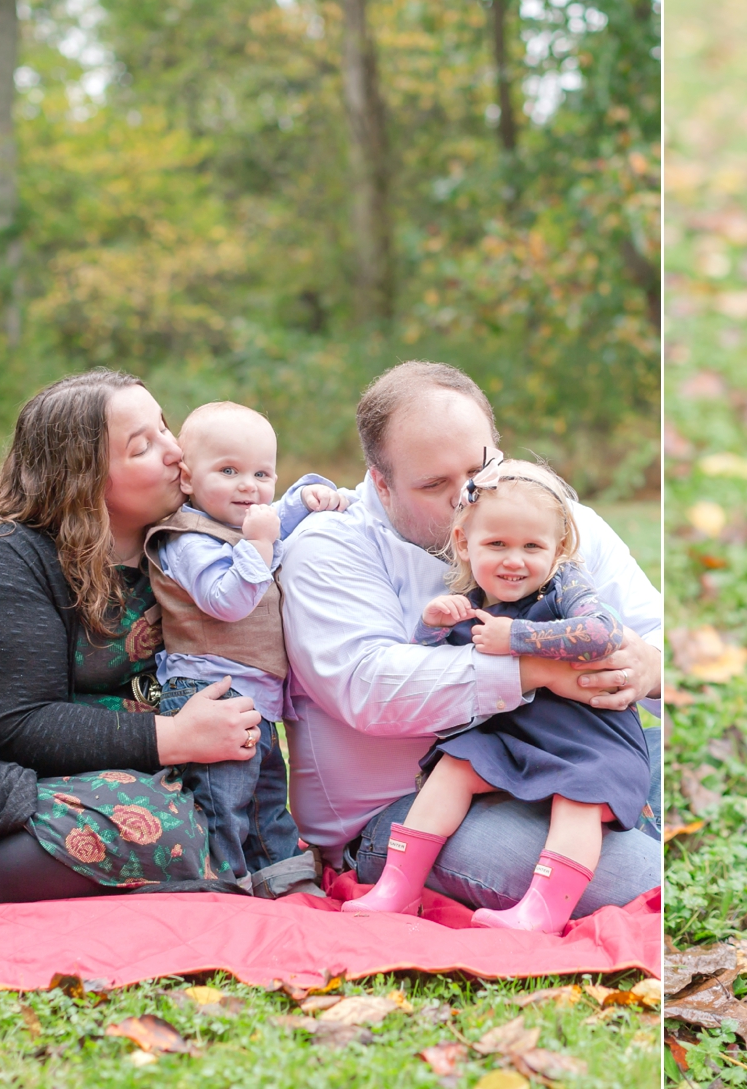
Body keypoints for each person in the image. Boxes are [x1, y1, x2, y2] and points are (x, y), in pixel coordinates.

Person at [281, 361, 663, 919]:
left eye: (480, 470)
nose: (467, 499)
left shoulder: (550, 523)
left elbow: (657, 636)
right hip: (409, 805)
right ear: (380, 483)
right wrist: (535, 667)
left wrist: (649, 666)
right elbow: (368, 686)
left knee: (666, 769)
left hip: (564, 757)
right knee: (644, 878)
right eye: (435, 486)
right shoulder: (331, 547)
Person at [0, 370, 271, 905]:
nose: (176, 451)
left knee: (190, 830)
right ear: (83, 478)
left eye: (164, 427)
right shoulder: (13, 557)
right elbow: (9, 719)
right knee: (163, 831)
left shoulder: (201, 545)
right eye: (143, 446)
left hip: (121, 774)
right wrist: (174, 737)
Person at [344, 455, 649, 931]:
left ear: (559, 546)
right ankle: (398, 887)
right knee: (455, 764)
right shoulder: (473, 601)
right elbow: (425, 662)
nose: (514, 559)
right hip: (514, 735)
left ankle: (543, 910)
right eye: (497, 543)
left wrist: (518, 639)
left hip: (587, 740)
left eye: (532, 545)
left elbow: (602, 632)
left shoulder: (566, 584)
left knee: (578, 798)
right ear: (464, 544)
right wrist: (430, 627)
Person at [145, 401, 350, 891]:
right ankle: (224, 886)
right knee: (223, 802)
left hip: (255, 697)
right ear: (189, 480)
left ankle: (282, 879)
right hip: (208, 692)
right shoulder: (187, 538)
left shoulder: (242, 524)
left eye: (262, 473)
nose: (247, 485)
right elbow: (225, 602)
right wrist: (259, 545)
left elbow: (279, 513)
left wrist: (313, 495)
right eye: (229, 470)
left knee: (265, 799)